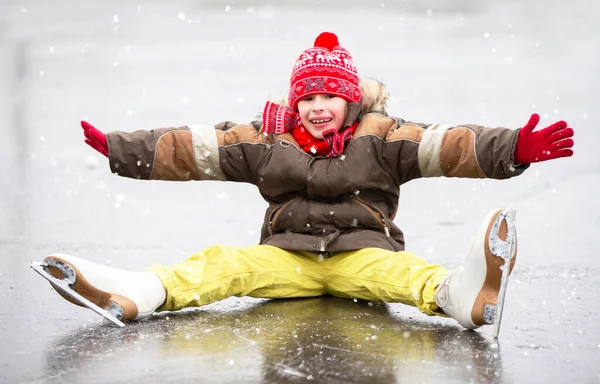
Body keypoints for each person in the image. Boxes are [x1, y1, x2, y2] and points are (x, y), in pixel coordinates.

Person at [33, 32, 574, 333]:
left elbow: (444, 145)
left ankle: (465, 295)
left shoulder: (381, 137)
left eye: (329, 97)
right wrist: (123, 149)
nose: (318, 107)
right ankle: (137, 293)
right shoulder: (268, 141)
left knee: (405, 276)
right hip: (286, 257)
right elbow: (197, 149)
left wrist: (512, 149)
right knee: (222, 263)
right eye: (308, 98)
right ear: (296, 103)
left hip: (363, 253)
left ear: (350, 100)